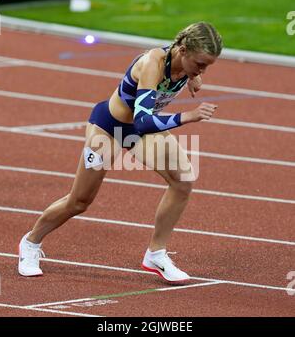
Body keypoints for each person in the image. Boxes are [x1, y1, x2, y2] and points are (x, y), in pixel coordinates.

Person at [18, 22, 222, 283]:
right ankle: (31, 243)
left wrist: (193, 75)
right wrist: (187, 117)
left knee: (183, 180)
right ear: (183, 49)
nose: (203, 70)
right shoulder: (153, 64)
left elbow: (150, 116)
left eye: (208, 66)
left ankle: (156, 254)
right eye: (201, 63)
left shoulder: (185, 62)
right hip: (110, 128)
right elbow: (142, 122)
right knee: (80, 201)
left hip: (140, 132)